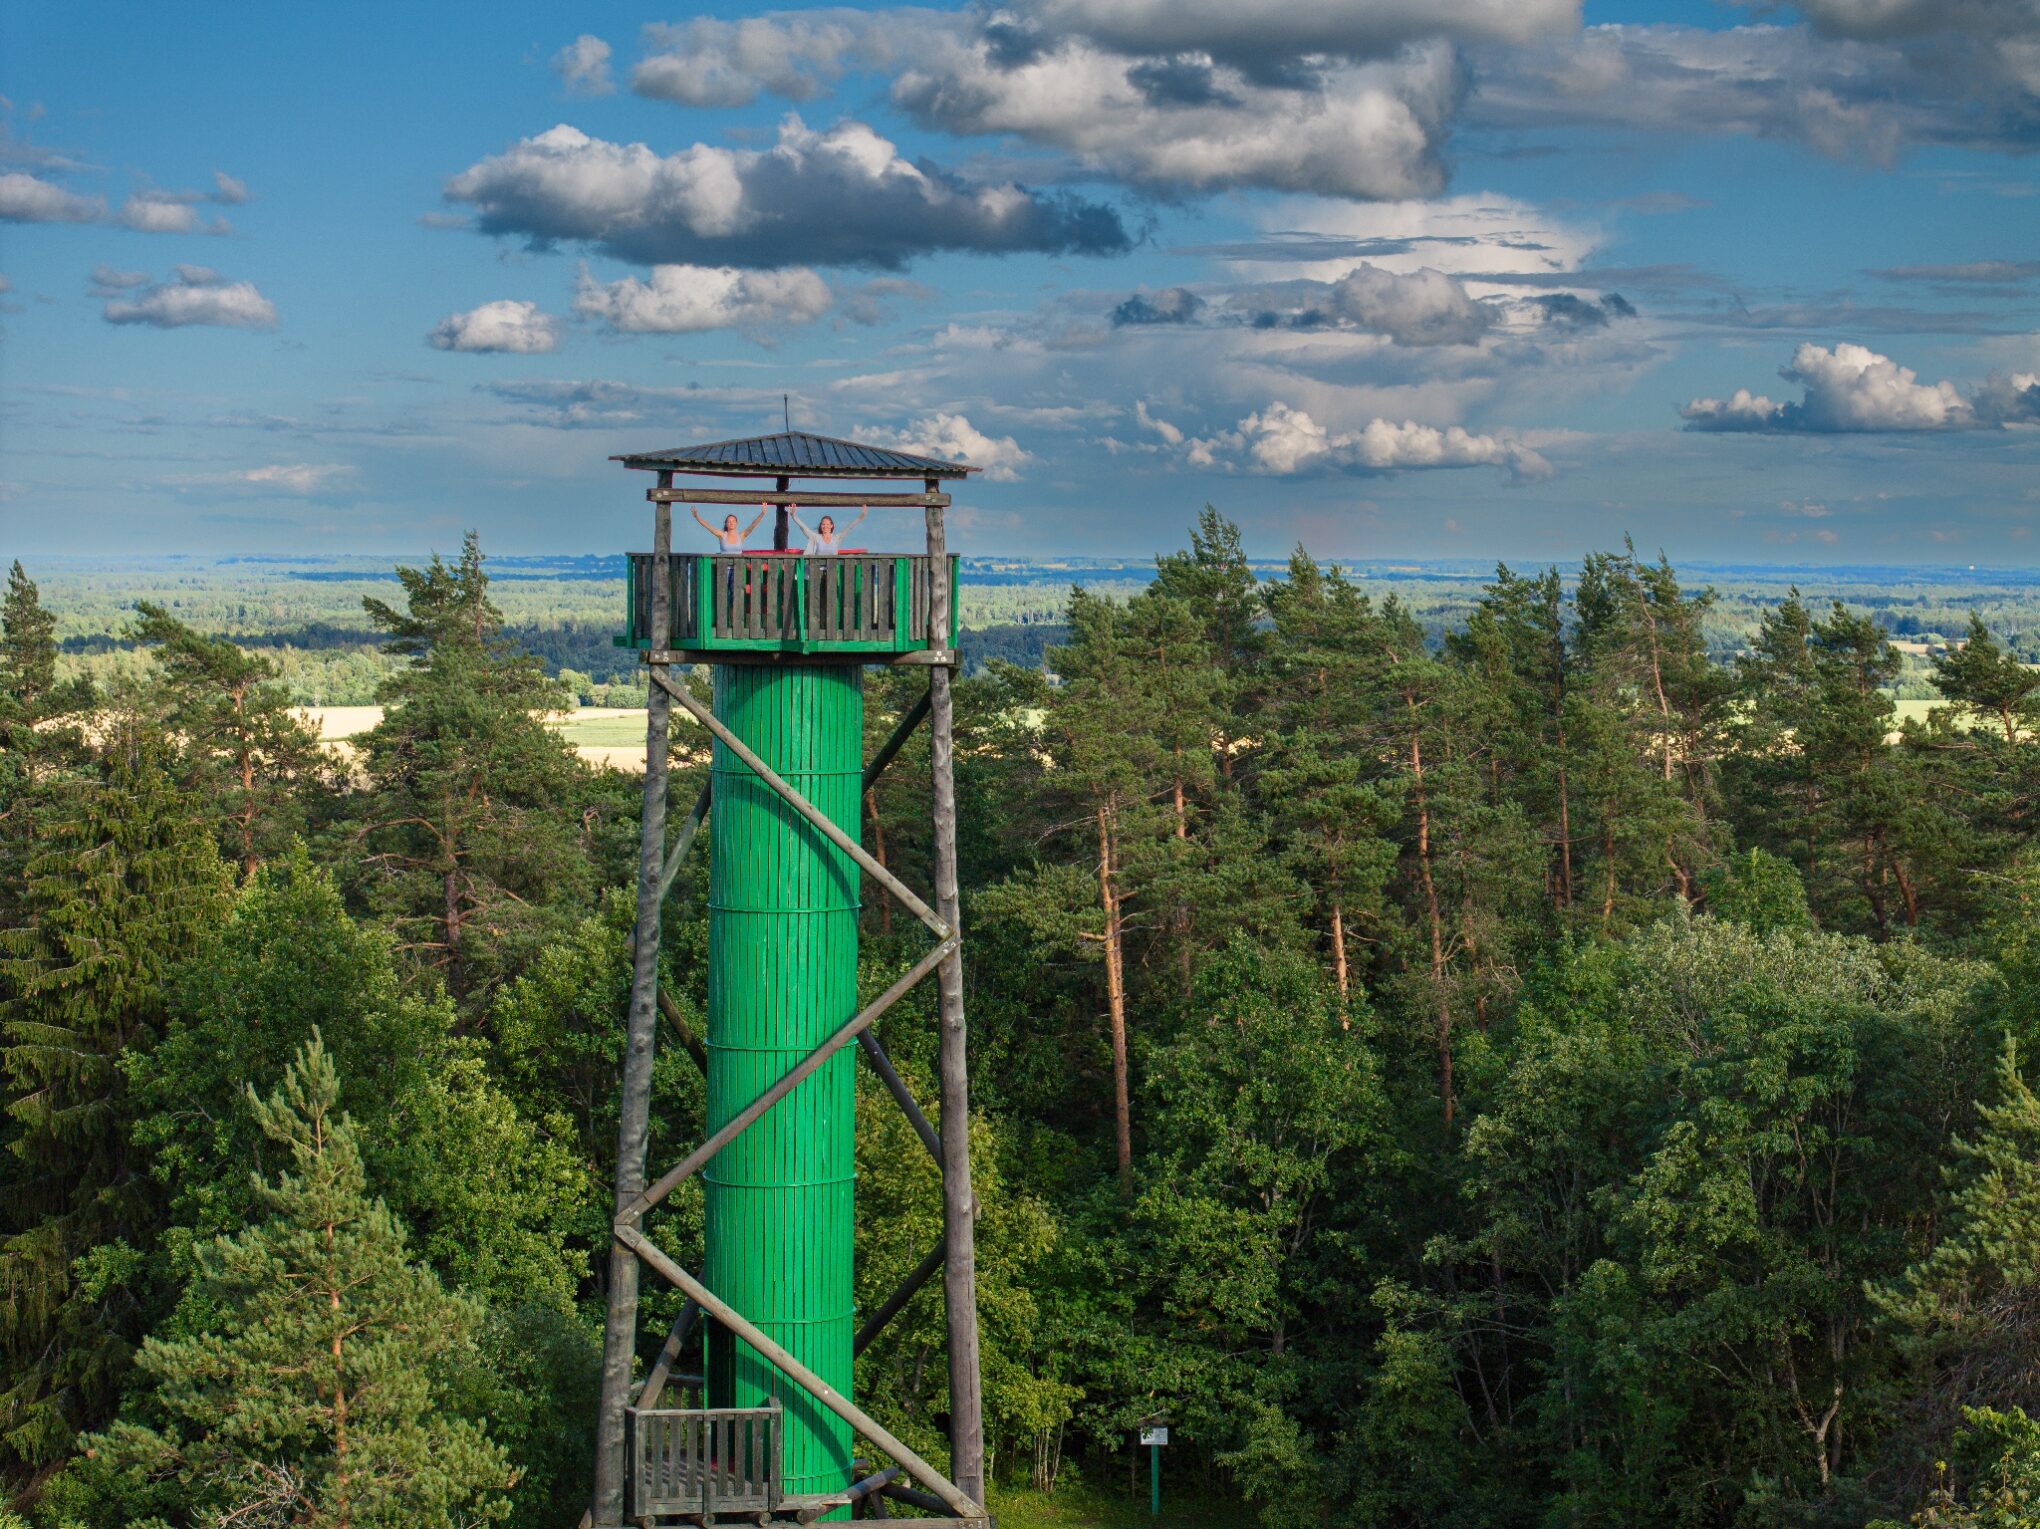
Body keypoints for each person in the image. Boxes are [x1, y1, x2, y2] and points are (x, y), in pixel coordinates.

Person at [791, 505, 867, 556]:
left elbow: (849, 527)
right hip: (816, 571)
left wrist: (862, 515)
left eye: (827, 524)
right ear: (820, 526)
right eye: (823, 524)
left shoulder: (837, 538)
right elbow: (803, 527)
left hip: (831, 572)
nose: (825, 526)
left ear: (832, 526)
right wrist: (794, 515)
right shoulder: (815, 537)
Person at [693, 504, 767, 551]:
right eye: (729, 521)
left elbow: (752, 525)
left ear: (737, 523)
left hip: (738, 568)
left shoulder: (741, 535)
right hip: (723, 569)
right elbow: (709, 527)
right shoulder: (722, 535)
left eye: (733, 521)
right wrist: (697, 517)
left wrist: (762, 514)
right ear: (726, 524)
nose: (731, 523)